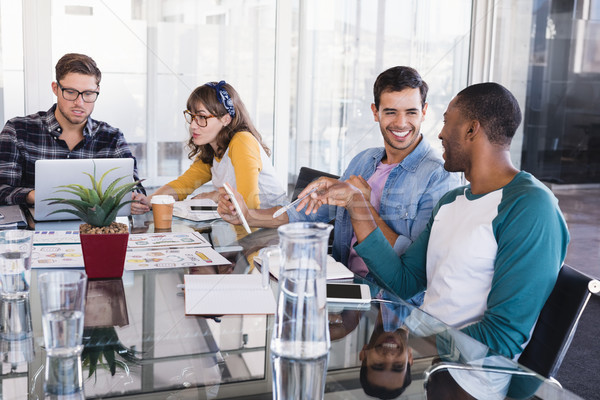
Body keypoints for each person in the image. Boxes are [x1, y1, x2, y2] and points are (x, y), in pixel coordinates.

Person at [296, 82, 570, 359]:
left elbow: (502, 338)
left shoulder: (530, 206)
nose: (439, 134)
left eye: (447, 121)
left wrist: (413, 344)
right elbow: (403, 282)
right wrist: (357, 203)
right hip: (427, 359)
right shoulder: (452, 201)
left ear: (471, 129)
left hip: (464, 375)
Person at [218, 66, 460, 277]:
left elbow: (413, 267)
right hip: (344, 283)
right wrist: (247, 215)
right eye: (390, 112)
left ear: (424, 112)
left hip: (391, 303)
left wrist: (362, 206)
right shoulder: (363, 162)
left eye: (411, 112)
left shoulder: (438, 177)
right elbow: (304, 214)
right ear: (375, 112)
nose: (400, 123)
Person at [0, 53, 143, 206]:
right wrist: (33, 196)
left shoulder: (112, 138)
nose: (79, 102)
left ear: (97, 90)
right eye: (70, 92)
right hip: (32, 229)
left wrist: (135, 199)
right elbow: (2, 190)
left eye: (88, 94)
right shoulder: (17, 130)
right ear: (55, 88)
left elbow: (136, 189)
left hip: (96, 229)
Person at [132, 81, 286, 214]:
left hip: (269, 232)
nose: (192, 125)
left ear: (226, 119)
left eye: (202, 117)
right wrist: (148, 200)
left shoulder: (242, 142)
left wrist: (216, 195)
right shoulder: (213, 150)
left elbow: (248, 205)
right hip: (241, 228)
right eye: (192, 116)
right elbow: (182, 186)